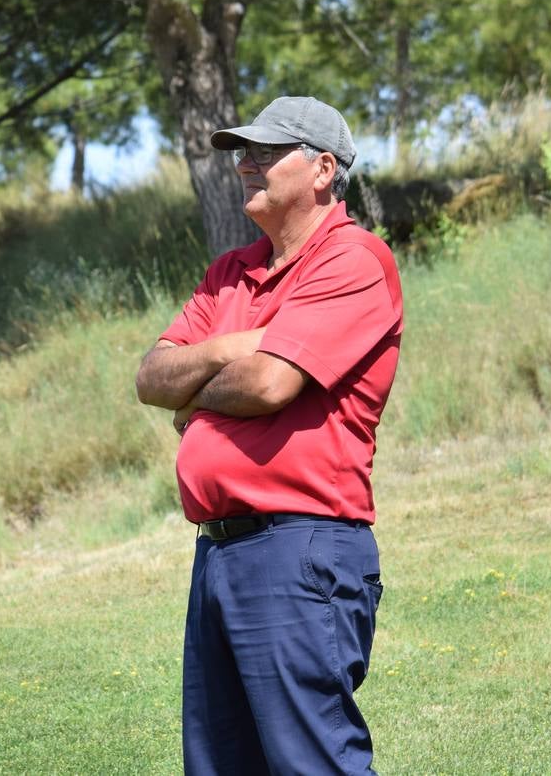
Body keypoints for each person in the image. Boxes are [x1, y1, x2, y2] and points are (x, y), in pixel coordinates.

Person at [135, 96, 403, 775]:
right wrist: (238, 343)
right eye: (241, 152)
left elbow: (268, 385)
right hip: (221, 555)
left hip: (299, 551)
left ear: (321, 170)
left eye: (265, 152)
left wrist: (196, 402)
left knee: (312, 763)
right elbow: (151, 376)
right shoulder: (229, 272)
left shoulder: (354, 260)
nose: (245, 164)